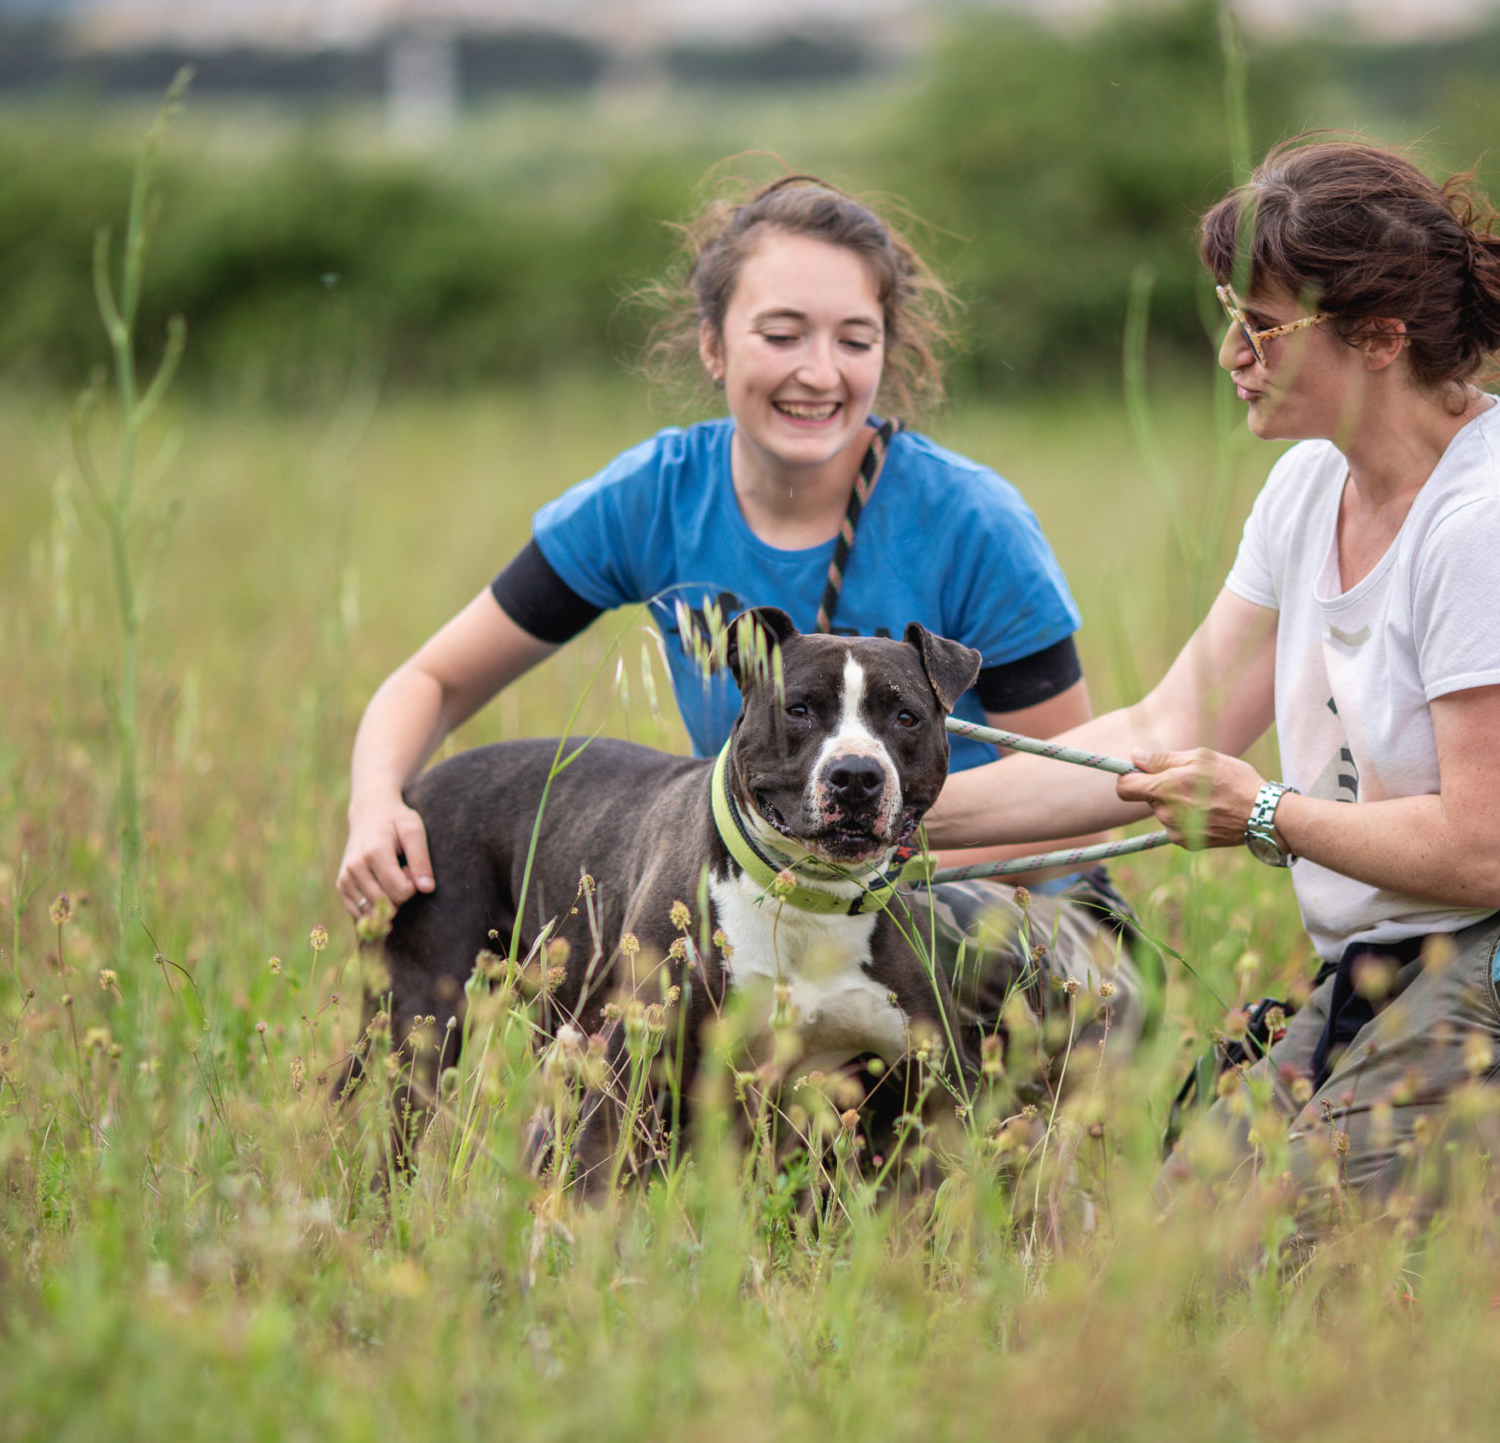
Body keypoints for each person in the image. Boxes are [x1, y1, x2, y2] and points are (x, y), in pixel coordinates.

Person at [923, 137, 1500, 1261]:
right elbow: (1162, 733)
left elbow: (1498, 855)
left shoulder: (1499, 527)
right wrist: (897, 819)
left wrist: (1263, 815)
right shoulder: (1308, 487)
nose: (1228, 355)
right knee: (1175, 1268)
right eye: (1228, 316)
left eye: (1260, 326)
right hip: (1404, 968)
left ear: (1383, 339)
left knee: (1319, 1267)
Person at [336, 171, 1137, 1078]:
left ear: (886, 353)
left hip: (990, 898)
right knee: (603, 1097)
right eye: (782, 333)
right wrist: (377, 802)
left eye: (854, 339)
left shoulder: (970, 521)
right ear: (714, 346)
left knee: (898, 961)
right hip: (768, 898)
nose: (819, 371)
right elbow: (433, 682)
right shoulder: (656, 498)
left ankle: (998, 1152)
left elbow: (1080, 806)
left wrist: (882, 844)